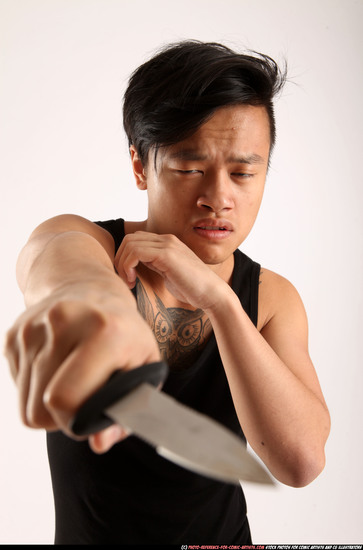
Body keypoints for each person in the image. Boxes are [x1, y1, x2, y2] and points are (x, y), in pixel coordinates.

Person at [5, 40, 330, 544]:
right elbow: (57, 264)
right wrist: (97, 306)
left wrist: (220, 301)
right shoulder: (90, 243)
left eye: (244, 173)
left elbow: (301, 461)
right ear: (140, 165)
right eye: (189, 168)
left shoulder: (272, 298)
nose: (220, 197)